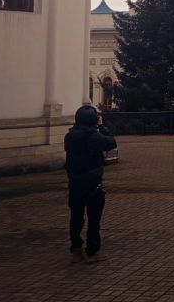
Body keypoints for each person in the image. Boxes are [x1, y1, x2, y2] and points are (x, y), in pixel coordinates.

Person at [64, 104, 117, 263]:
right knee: (94, 218)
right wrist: (101, 127)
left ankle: (76, 249)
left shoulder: (70, 136)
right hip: (93, 181)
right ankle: (92, 251)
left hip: (74, 181)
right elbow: (111, 142)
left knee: (76, 217)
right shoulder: (94, 136)